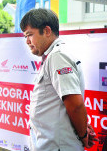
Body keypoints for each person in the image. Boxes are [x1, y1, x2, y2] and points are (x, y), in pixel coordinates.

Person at [20, 8, 98, 150]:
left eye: (29, 35)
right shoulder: (52, 56)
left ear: (47, 31)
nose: (27, 41)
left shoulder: (58, 56)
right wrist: (81, 128)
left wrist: (83, 136)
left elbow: (75, 105)